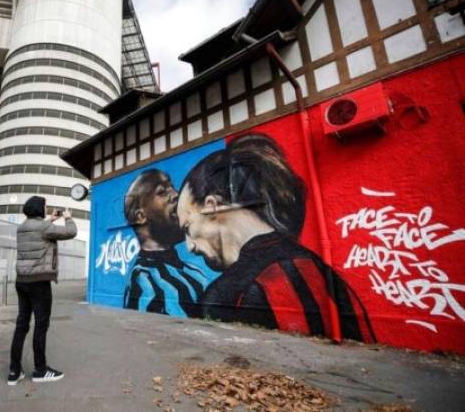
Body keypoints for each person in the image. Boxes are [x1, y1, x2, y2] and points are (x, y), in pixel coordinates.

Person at [177, 134, 375, 342]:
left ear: (212, 206)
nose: (190, 247)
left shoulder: (229, 293)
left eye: (188, 228)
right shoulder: (317, 269)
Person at [8, 195, 77, 386]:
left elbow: (39, 229)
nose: (47, 210)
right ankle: (40, 370)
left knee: (21, 325)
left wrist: (51, 219)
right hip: (39, 282)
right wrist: (68, 217)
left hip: (21, 281)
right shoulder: (45, 228)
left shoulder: (21, 228)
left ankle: (14, 371)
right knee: (41, 325)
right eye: (45, 207)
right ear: (40, 209)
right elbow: (71, 232)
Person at [123, 169, 208, 317]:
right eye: (162, 192)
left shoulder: (192, 271)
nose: (176, 194)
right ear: (141, 216)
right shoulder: (144, 282)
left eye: (172, 187)